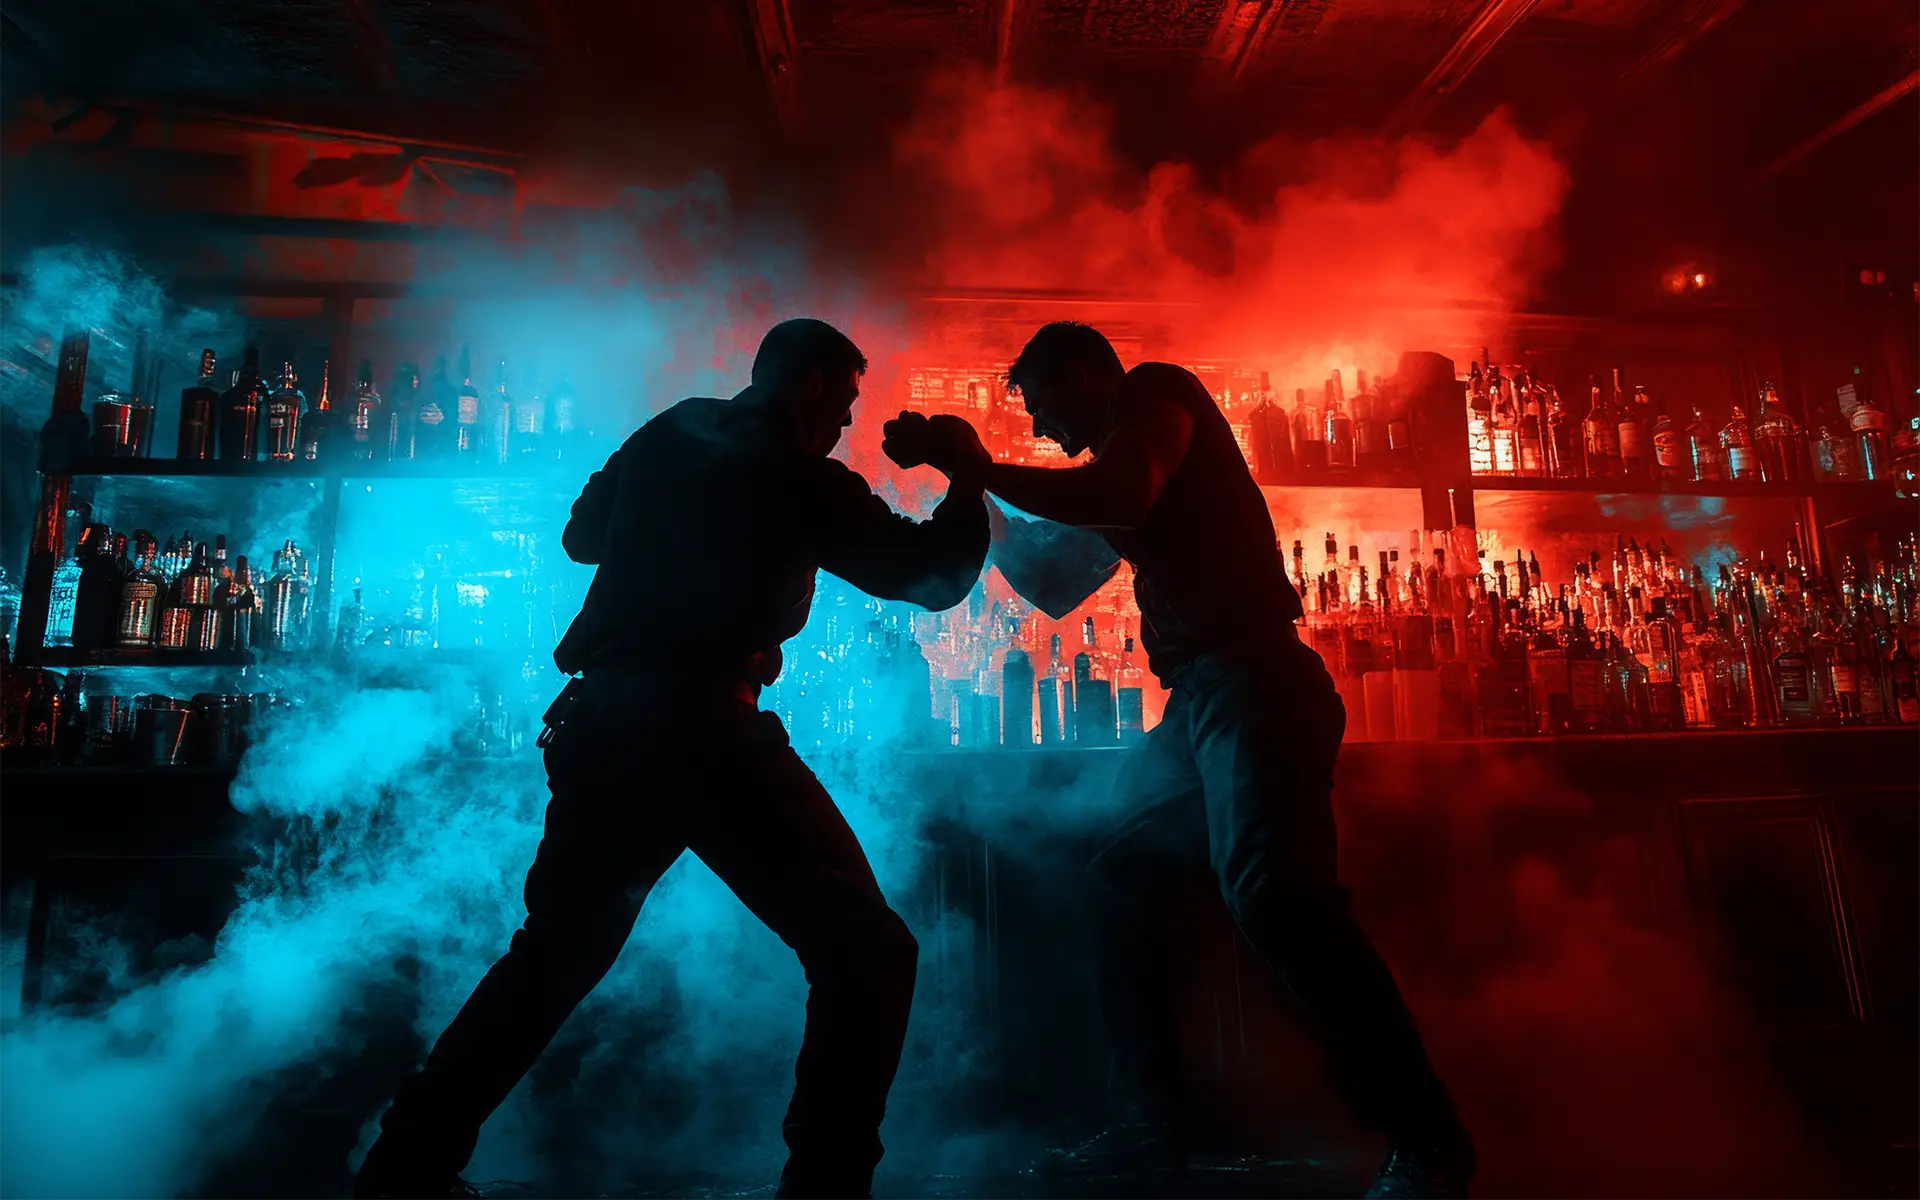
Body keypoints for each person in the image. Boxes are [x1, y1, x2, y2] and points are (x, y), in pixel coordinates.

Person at [354, 319, 989, 1200]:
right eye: (842, 404)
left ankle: (406, 1163)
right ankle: (826, 1186)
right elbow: (933, 579)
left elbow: (581, 536)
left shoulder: (674, 432)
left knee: (552, 958)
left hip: (605, 724)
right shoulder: (799, 479)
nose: (845, 422)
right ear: (809, 389)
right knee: (867, 953)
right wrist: (967, 475)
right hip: (703, 728)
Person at [881, 321, 1474, 1199]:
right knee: (1120, 875)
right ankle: (1146, 1127)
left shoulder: (1157, 395)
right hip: (1204, 702)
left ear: (1085, 375)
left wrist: (978, 468)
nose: (1043, 430)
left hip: (1256, 684)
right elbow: (1051, 580)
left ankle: (1427, 1139)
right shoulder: (1129, 487)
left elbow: (1115, 489)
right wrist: (968, 486)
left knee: (1278, 900)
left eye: (1044, 407)